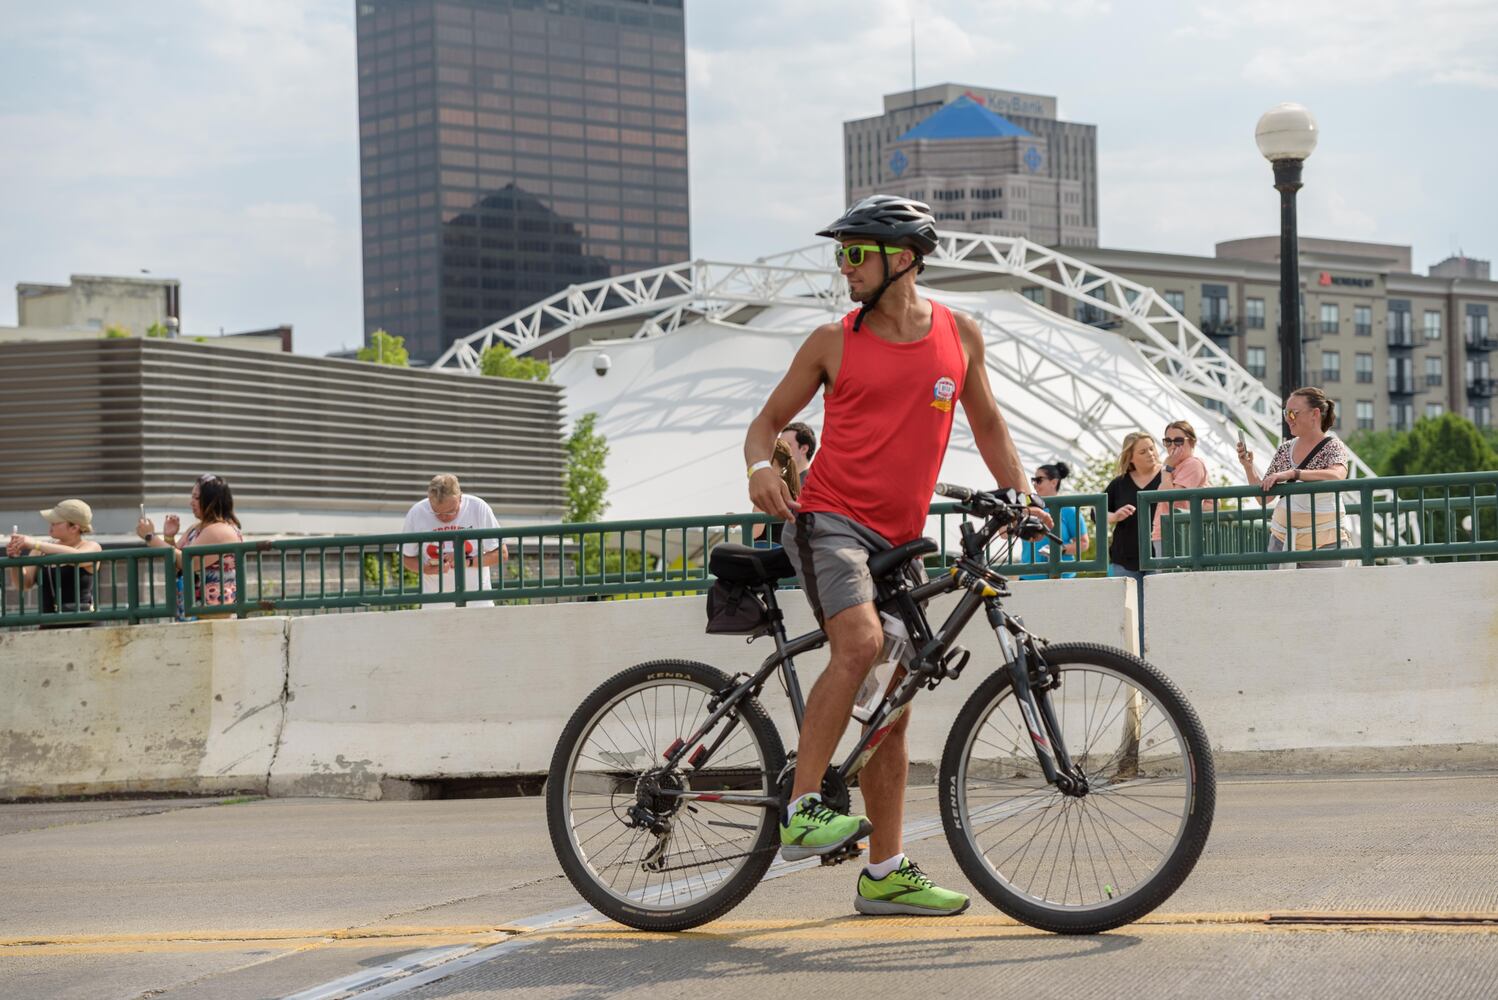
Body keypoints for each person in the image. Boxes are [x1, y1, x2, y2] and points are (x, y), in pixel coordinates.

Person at [744, 195, 1046, 918]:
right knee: (863, 642)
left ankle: (884, 872)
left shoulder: (957, 335)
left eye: (854, 253)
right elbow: (766, 425)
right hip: (829, 523)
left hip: (900, 541)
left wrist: (1027, 498)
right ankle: (803, 807)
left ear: (902, 259)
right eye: (839, 253)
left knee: (897, 703)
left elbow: (992, 427)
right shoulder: (831, 340)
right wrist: (761, 469)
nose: (842, 266)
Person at [1237, 386, 1351, 569]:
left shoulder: (1333, 446)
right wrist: (1248, 467)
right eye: (1285, 413)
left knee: (1325, 597)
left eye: (1293, 413)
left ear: (1315, 414)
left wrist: (1293, 473)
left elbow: (1337, 475)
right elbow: (1264, 498)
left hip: (1323, 545)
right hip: (1282, 542)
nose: (1288, 419)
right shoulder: (1285, 449)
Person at [139, 474, 244, 619]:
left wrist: (150, 537)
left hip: (214, 614)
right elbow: (176, 563)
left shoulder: (220, 530)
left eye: (196, 498)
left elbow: (187, 562)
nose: (191, 502)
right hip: (194, 611)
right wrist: (169, 537)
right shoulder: (196, 528)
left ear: (211, 501)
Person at [400, 474, 508, 607]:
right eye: (436, 513)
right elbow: (406, 557)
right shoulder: (417, 512)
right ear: (429, 500)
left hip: (477, 601)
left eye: (451, 511)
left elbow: (501, 553)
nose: (444, 517)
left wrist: (466, 562)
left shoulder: (478, 507)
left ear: (460, 497)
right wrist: (426, 569)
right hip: (434, 603)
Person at [6, 499, 102, 629]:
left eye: (56, 522)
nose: (51, 524)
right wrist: (15, 560)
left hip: (84, 622)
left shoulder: (91, 546)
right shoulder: (40, 550)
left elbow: (78, 557)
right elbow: (23, 584)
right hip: (49, 622)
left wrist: (36, 544)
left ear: (74, 527)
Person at [1105, 432, 1162, 581]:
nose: (1150, 454)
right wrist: (1115, 516)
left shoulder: (1168, 476)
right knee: (1129, 605)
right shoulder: (1119, 483)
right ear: (1130, 458)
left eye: (1151, 448)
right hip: (1125, 560)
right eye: (1143, 452)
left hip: (1161, 556)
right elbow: (1096, 512)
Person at [1019, 461, 1087, 579]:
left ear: (1054, 482)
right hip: (1028, 576)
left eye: (1039, 480)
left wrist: (1060, 549)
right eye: (1033, 480)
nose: (1035, 484)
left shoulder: (1068, 510)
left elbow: (1084, 543)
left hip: (1062, 576)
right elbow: (1005, 535)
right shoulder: (1027, 507)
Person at [1152, 420, 1210, 556]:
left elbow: (1173, 499)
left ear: (1192, 442)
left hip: (1176, 533)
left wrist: (1166, 469)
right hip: (1165, 532)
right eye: (1168, 441)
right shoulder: (1177, 466)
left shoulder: (1192, 464)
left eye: (1178, 441)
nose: (1173, 446)